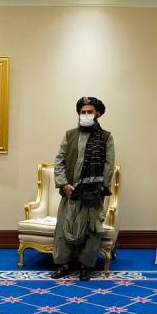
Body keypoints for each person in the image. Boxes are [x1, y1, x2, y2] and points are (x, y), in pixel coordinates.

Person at [51, 96, 115, 282]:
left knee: (91, 230)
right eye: (83, 112)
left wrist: (96, 187)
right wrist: (63, 184)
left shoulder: (106, 137)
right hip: (70, 192)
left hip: (93, 194)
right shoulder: (69, 135)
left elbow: (108, 165)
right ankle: (64, 264)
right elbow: (59, 160)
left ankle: (86, 266)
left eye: (90, 112)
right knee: (65, 227)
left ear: (98, 114)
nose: (86, 115)